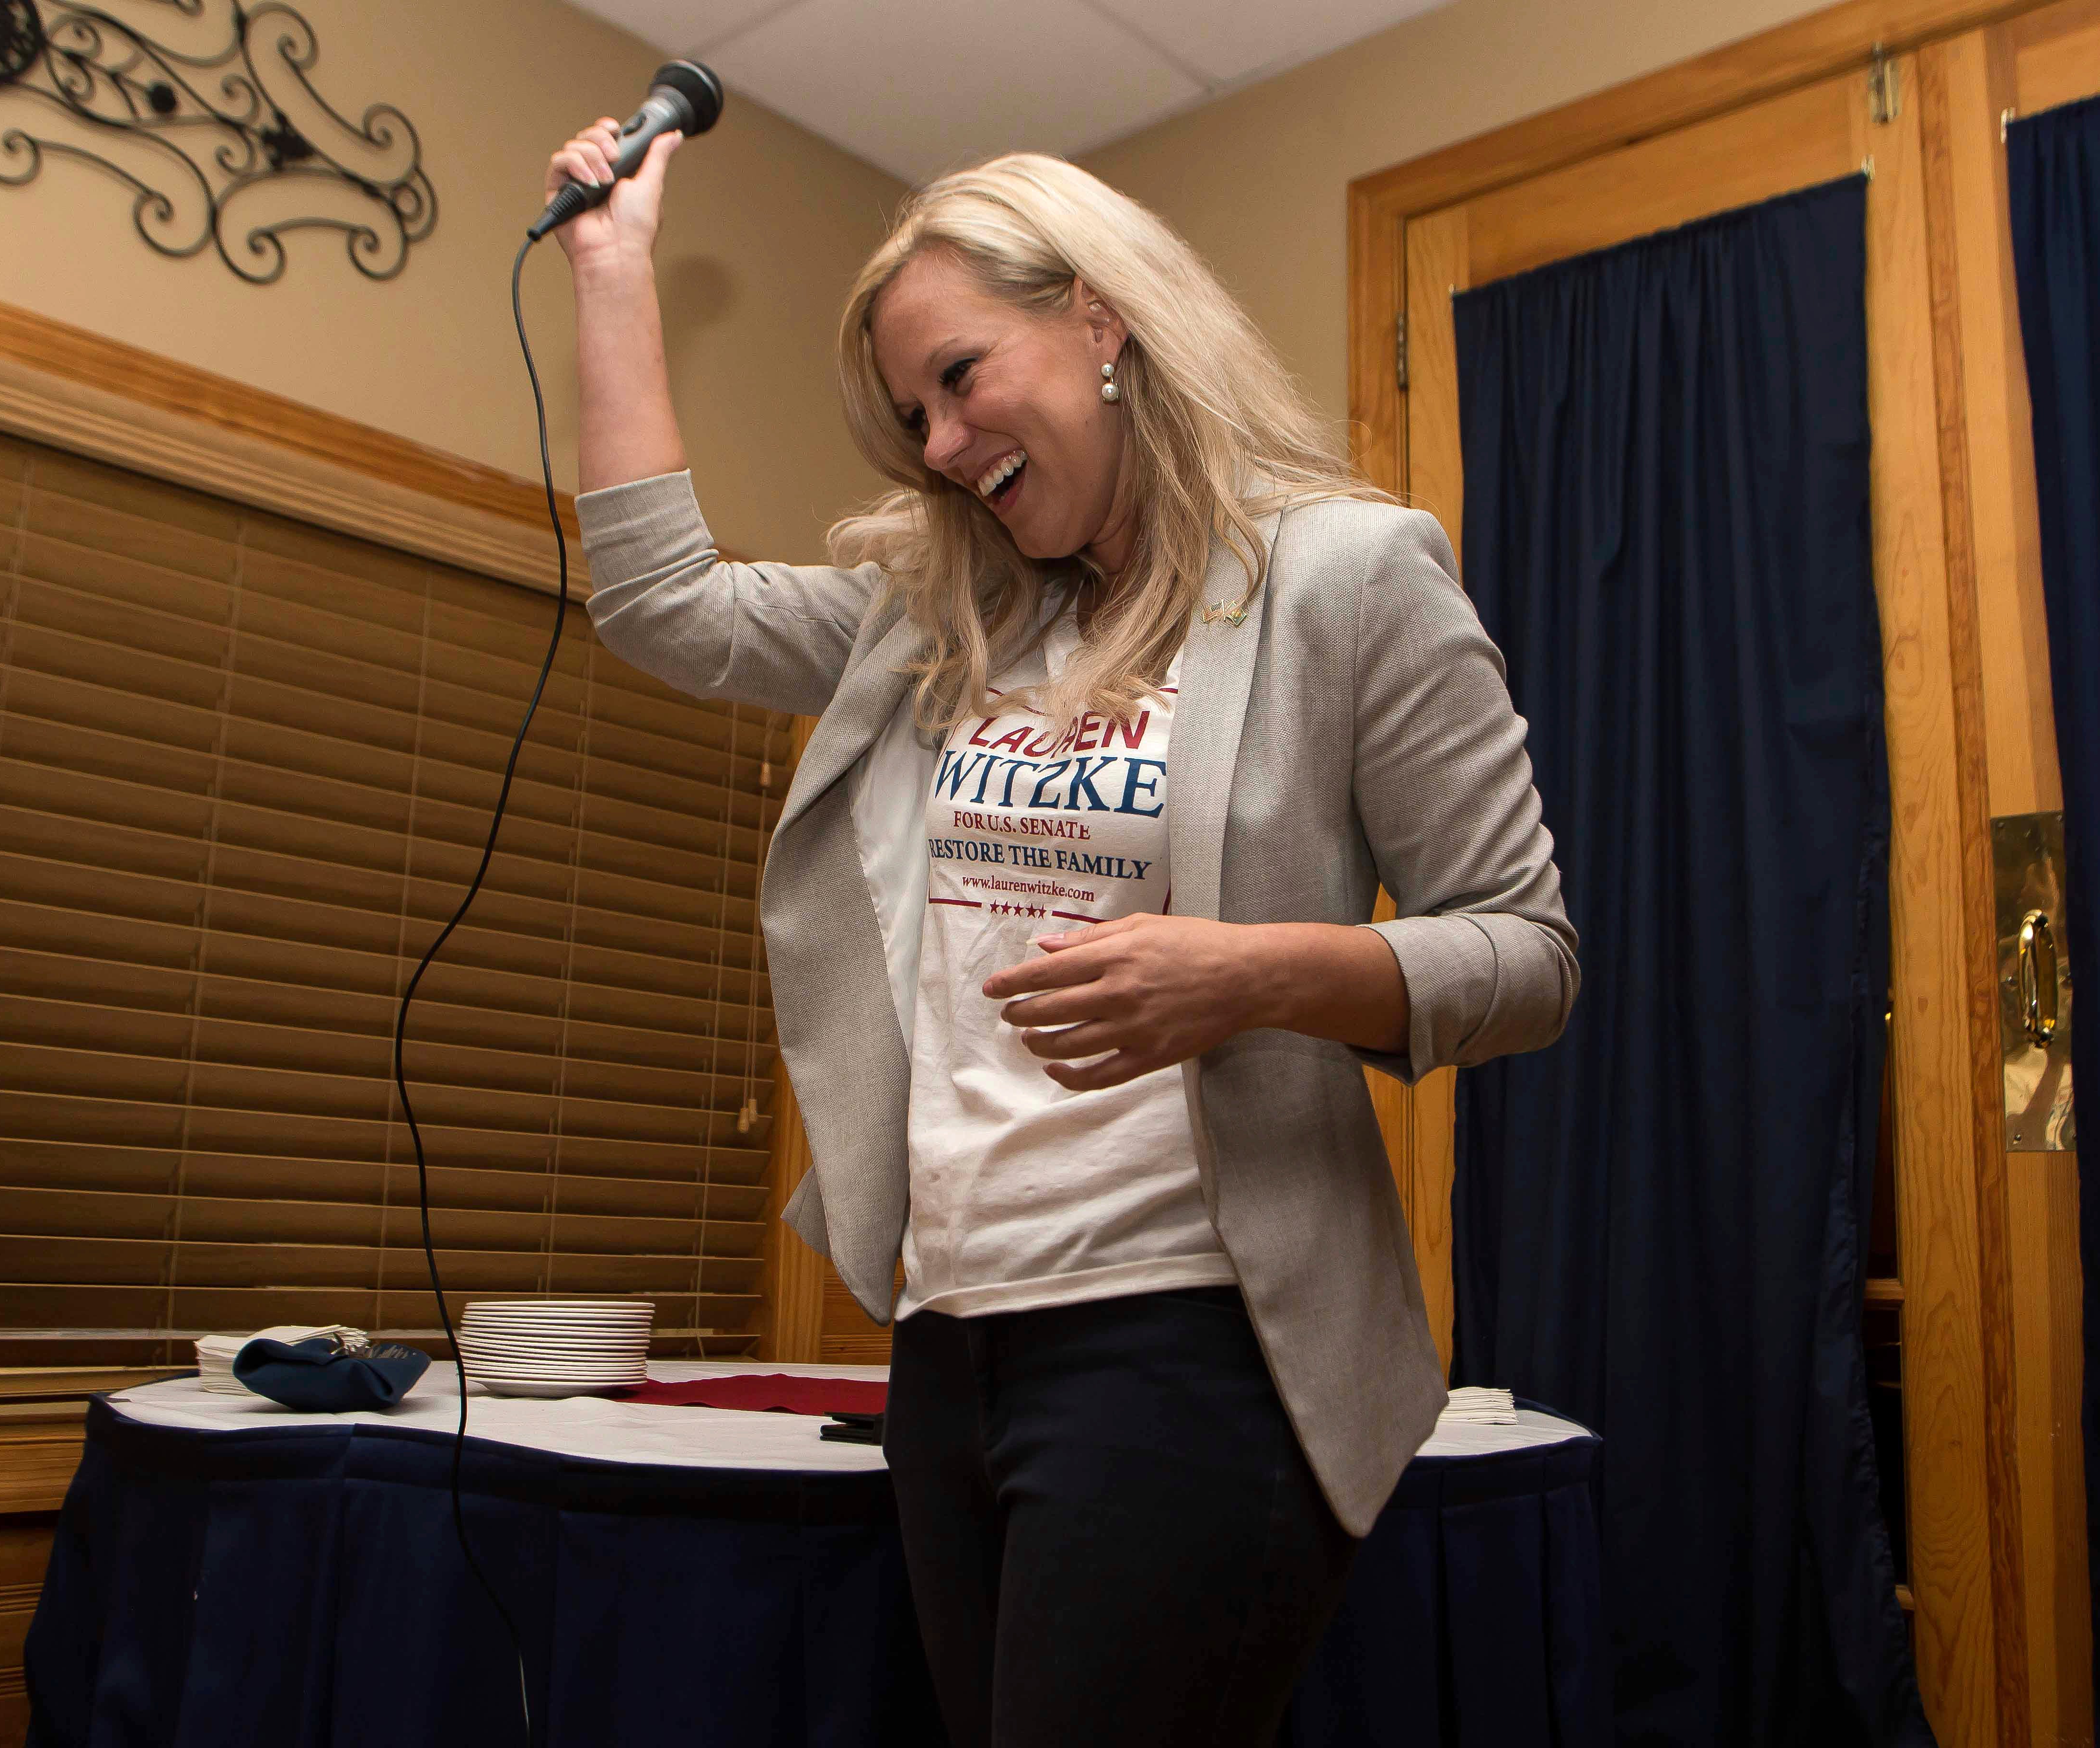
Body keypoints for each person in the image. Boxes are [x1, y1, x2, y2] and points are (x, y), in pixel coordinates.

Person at [545, 118, 1578, 1748]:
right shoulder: (935, 615)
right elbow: (662, 606)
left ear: (1101, 320)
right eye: (914, 416)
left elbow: (1527, 955)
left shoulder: (1344, 576)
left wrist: (1256, 974)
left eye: (961, 378)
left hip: (1192, 1341)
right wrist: (612, 267)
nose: (942, 443)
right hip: (953, 1340)